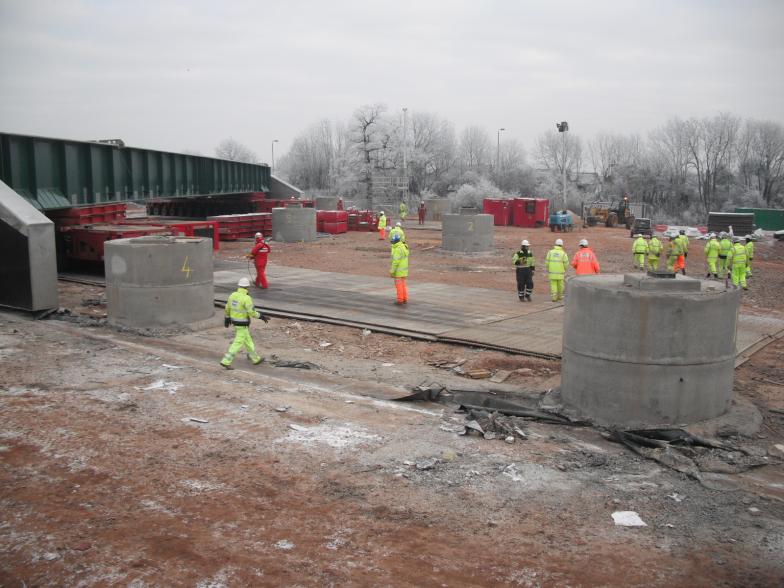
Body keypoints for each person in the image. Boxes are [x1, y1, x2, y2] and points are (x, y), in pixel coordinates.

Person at [220, 277, 269, 369]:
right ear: (247, 287)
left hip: (235, 322)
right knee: (238, 343)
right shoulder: (247, 298)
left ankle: (255, 358)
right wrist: (261, 316)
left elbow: (227, 308)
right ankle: (226, 361)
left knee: (248, 341)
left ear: (239, 286)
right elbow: (251, 312)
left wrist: (227, 318)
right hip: (242, 324)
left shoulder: (232, 295)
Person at [545, 238, 569, 302]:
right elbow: (566, 263)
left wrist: (548, 268)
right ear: (562, 245)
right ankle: (560, 296)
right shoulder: (563, 253)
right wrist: (565, 269)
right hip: (560, 273)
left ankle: (554, 297)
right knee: (561, 285)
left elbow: (547, 262)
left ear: (555, 244)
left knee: (553, 285)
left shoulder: (550, 252)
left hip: (552, 273)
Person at [389, 233, 409, 304]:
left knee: (399, 286)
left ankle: (400, 299)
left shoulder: (397, 249)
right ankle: (405, 298)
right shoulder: (404, 247)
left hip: (398, 271)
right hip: (404, 271)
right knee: (403, 285)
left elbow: (395, 262)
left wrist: (392, 271)